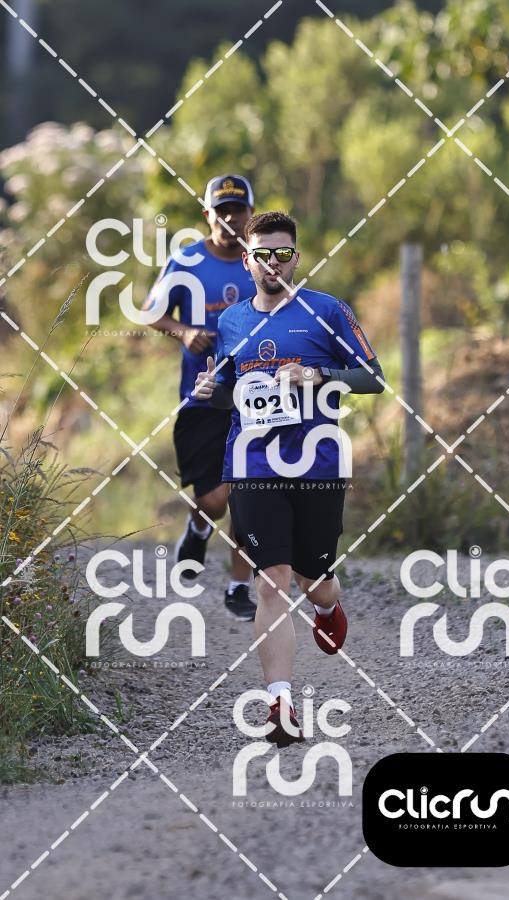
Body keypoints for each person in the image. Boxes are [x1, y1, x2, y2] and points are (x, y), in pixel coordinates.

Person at [193, 211, 384, 746]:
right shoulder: (232, 321)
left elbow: (373, 377)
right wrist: (212, 390)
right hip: (253, 465)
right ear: (248, 261)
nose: (272, 264)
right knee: (271, 580)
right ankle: (281, 705)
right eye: (262, 255)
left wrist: (318, 374)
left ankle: (327, 604)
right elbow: (228, 389)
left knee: (311, 577)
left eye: (282, 254)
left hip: (317, 465)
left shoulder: (327, 311)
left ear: (296, 258)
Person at [144, 175, 256, 621]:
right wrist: (185, 332)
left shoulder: (260, 262)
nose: (230, 219)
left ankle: (239, 587)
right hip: (202, 399)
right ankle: (197, 527)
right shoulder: (187, 261)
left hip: (256, 400)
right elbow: (151, 312)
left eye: (238, 210)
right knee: (215, 500)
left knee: (250, 493)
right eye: (221, 211)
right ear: (207, 215)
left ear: (250, 213)